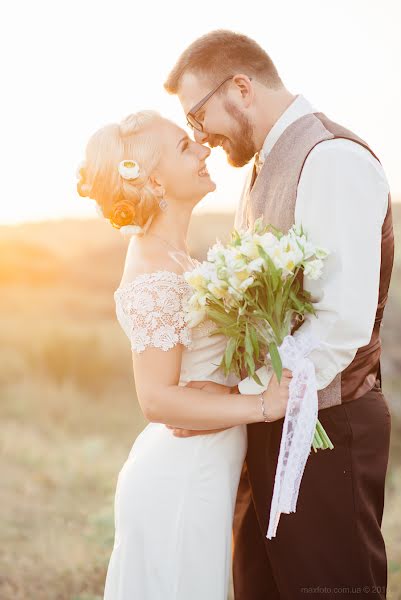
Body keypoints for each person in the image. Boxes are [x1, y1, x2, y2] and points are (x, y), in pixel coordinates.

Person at [165, 29, 394, 598]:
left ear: (240, 88)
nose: (201, 137)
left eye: (198, 116)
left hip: (327, 429)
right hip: (273, 417)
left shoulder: (331, 159)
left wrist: (245, 396)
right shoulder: (262, 165)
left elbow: (338, 323)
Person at [76, 109, 292, 599]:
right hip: (179, 480)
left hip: (203, 473)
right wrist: (264, 406)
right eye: (184, 147)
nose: (203, 148)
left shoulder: (178, 258)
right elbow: (157, 401)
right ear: (154, 181)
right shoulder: (154, 273)